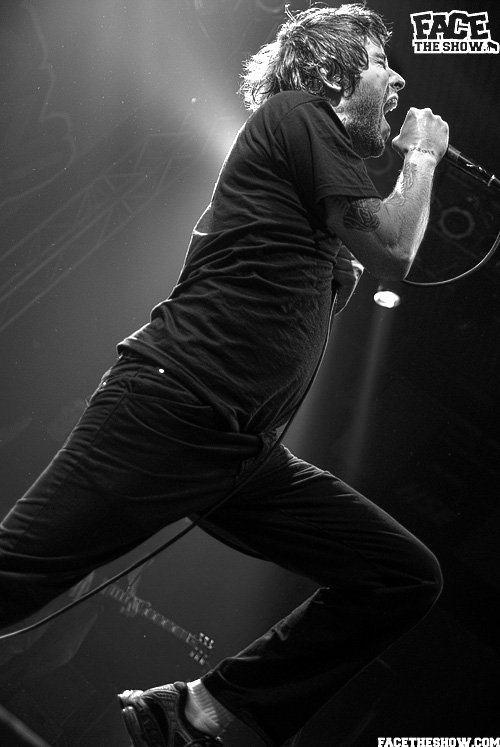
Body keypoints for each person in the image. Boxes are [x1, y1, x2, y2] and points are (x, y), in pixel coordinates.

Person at [0, 4, 449, 746]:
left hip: (241, 449)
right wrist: (424, 156)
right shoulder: (298, 114)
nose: (398, 81)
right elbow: (397, 245)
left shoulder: (309, 186)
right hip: (174, 404)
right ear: (331, 71)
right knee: (17, 575)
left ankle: (196, 711)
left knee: (401, 575)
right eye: (381, 63)